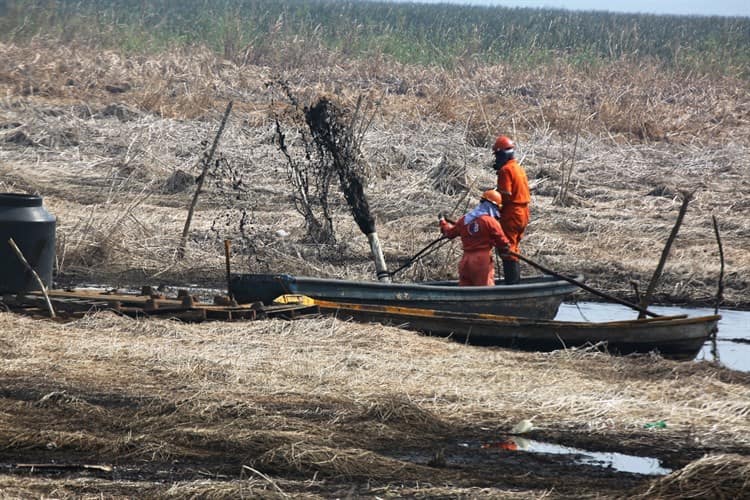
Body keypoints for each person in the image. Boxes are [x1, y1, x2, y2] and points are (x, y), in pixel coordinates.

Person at [439, 190, 511, 286]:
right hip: (482, 262)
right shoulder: (490, 221)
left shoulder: (464, 219)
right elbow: (503, 242)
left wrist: (442, 222)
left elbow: (449, 233)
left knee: (465, 293)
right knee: (485, 292)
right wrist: (506, 248)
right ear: (494, 207)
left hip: (465, 262)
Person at [492, 135, 530, 285]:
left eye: (497, 156)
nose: (496, 159)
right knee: (513, 246)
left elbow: (505, 195)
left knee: (507, 247)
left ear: (501, 154)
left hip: (512, 212)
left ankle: (512, 284)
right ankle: (514, 282)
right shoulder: (518, 168)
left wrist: (493, 205)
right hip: (524, 212)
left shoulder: (506, 170)